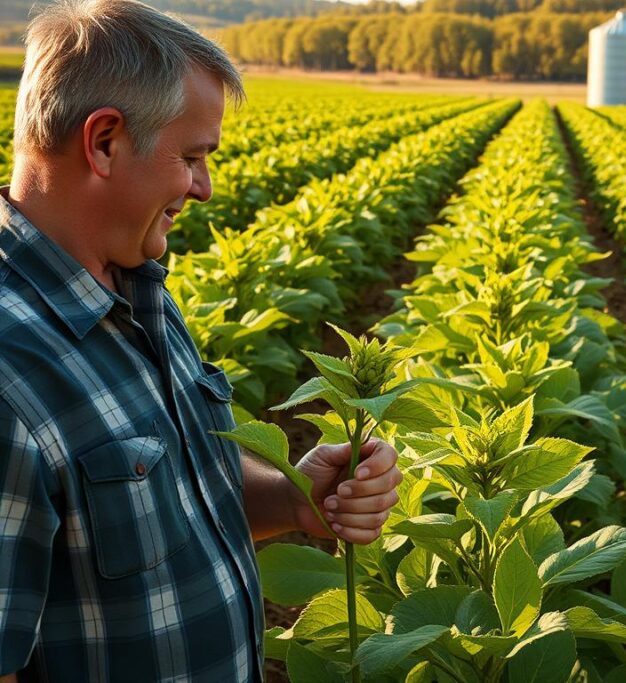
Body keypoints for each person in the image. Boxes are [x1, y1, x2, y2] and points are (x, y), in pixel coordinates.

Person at [0, 1, 403, 680]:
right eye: (191, 157)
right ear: (103, 142)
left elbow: (161, 493)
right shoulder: (11, 373)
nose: (206, 188)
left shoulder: (138, 290)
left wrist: (296, 499)